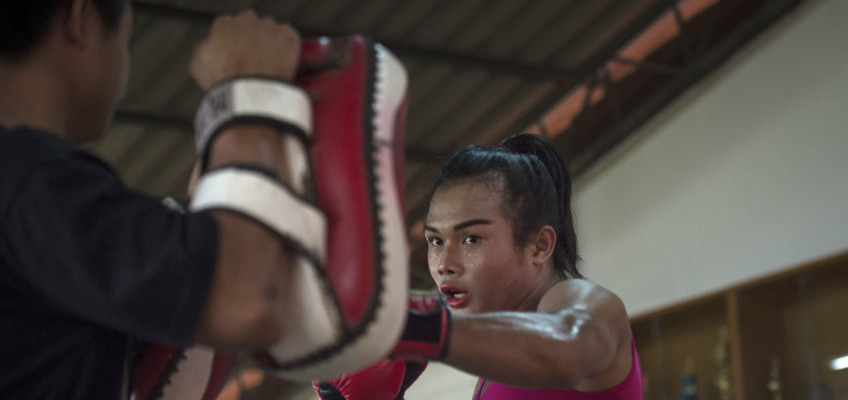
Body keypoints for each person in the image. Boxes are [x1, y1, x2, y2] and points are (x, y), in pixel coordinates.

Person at [0, 1, 407, 398]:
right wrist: (247, 90)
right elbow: (243, 300)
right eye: (127, 35)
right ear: (80, 16)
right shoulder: (28, 178)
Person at [316, 133, 642, 399]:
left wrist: (407, 324)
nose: (445, 265)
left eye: (471, 239)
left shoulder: (590, 305)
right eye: (435, 241)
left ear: (539, 245)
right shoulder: (497, 372)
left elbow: (567, 351)